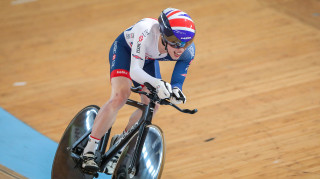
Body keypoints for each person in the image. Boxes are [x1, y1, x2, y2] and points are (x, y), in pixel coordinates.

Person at [81, 7, 196, 174]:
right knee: (121, 95)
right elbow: (135, 71)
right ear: (163, 37)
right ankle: (89, 150)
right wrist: (158, 83)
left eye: (186, 43)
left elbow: (178, 78)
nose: (181, 49)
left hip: (147, 60)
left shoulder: (187, 50)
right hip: (125, 51)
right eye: (176, 43)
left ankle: (121, 142)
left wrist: (176, 90)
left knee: (153, 105)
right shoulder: (146, 32)